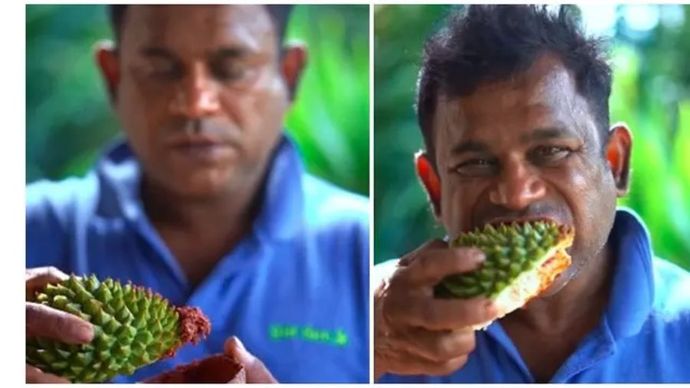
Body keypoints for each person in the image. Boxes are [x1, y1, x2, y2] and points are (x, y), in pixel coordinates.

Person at [26, 5, 369, 383]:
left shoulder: (363, 250)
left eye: (231, 69)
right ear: (113, 77)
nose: (195, 102)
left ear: (288, 75)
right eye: (161, 69)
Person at [374, 5, 690, 383]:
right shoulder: (378, 326)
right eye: (475, 164)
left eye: (552, 151)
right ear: (436, 189)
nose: (516, 194)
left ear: (615, 163)